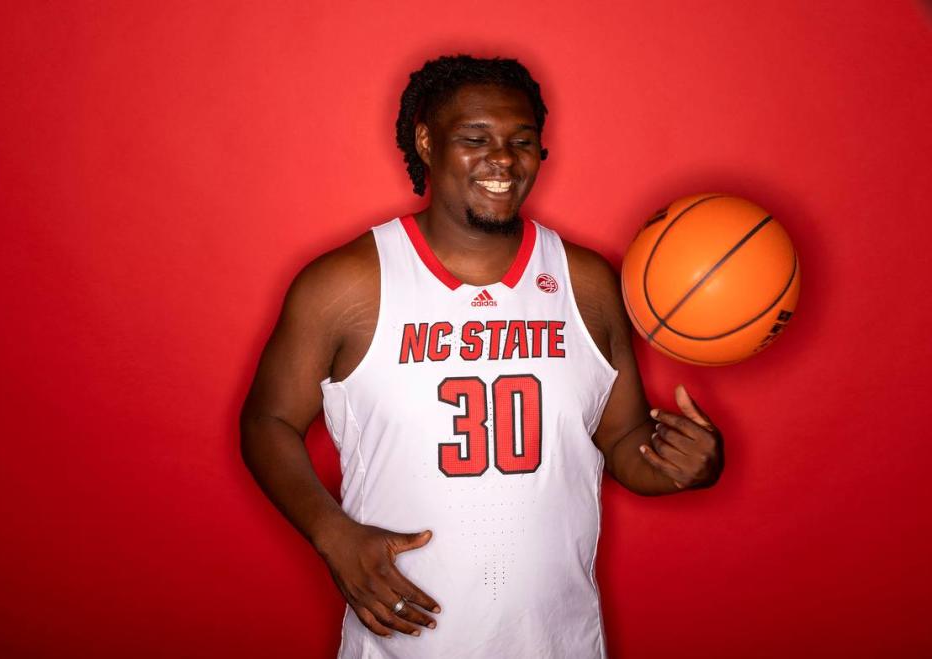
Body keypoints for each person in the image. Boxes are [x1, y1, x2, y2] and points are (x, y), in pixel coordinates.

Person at [240, 54, 723, 659]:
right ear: (426, 142)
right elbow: (267, 422)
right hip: (403, 642)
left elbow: (623, 442)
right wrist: (331, 533)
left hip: (558, 639)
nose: (503, 159)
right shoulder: (347, 284)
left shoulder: (587, 283)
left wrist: (683, 463)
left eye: (522, 141)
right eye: (476, 139)